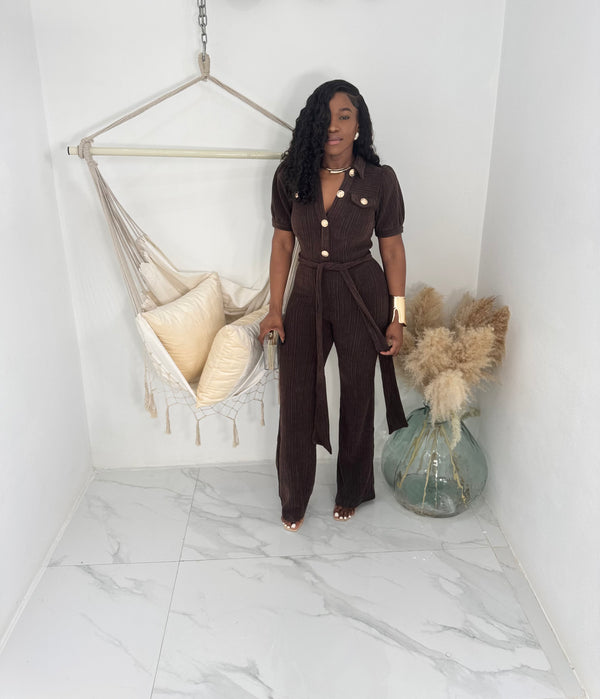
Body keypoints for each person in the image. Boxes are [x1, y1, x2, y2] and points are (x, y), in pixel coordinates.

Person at [259, 79, 407, 532]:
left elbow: (392, 250)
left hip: (363, 294)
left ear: (359, 125)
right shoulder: (290, 177)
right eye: (324, 117)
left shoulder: (380, 180)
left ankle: (353, 491)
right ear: (312, 124)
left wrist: (398, 316)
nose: (334, 126)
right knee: (296, 396)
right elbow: (283, 244)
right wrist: (274, 309)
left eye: (345, 116)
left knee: (358, 395)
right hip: (306, 293)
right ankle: (293, 497)